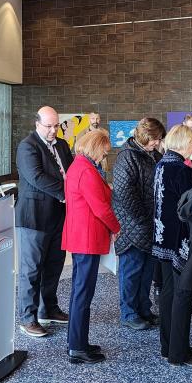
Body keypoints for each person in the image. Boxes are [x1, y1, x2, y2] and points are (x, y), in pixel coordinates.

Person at [15, 106, 74, 337]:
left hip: (59, 216)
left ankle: (48, 308)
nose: (52, 131)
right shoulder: (27, 146)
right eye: (48, 126)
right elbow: (37, 177)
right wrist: (67, 193)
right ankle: (27, 318)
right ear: (37, 123)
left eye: (56, 126)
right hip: (34, 217)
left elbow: (70, 171)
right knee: (31, 270)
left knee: (54, 265)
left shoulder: (62, 145)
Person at [62, 129, 120, 364]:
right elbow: (101, 208)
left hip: (82, 237)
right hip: (86, 239)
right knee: (82, 294)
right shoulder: (86, 170)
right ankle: (77, 347)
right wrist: (117, 228)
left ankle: (78, 342)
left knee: (80, 292)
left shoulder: (80, 165)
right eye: (103, 153)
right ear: (95, 147)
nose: (103, 158)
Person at [152, 125, 192, 366]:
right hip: (179, 240)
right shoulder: (180, 170)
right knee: (183, 294)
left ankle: (168, 346)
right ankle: (179, 353)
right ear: (183, 143)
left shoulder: (161, 165)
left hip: (162, 237)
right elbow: (190, 207)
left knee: (167, 293)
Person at [113, 117, 166, 330]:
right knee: (131, 271)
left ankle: (144, 309)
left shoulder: (153, 155)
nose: (158, 143)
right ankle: (128, 313)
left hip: (150, 225)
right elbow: (125, 194)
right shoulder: (127, 157)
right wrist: (143, 220)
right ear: (146, 137)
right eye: (156, 139)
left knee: (146, 272)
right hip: (133, 226)